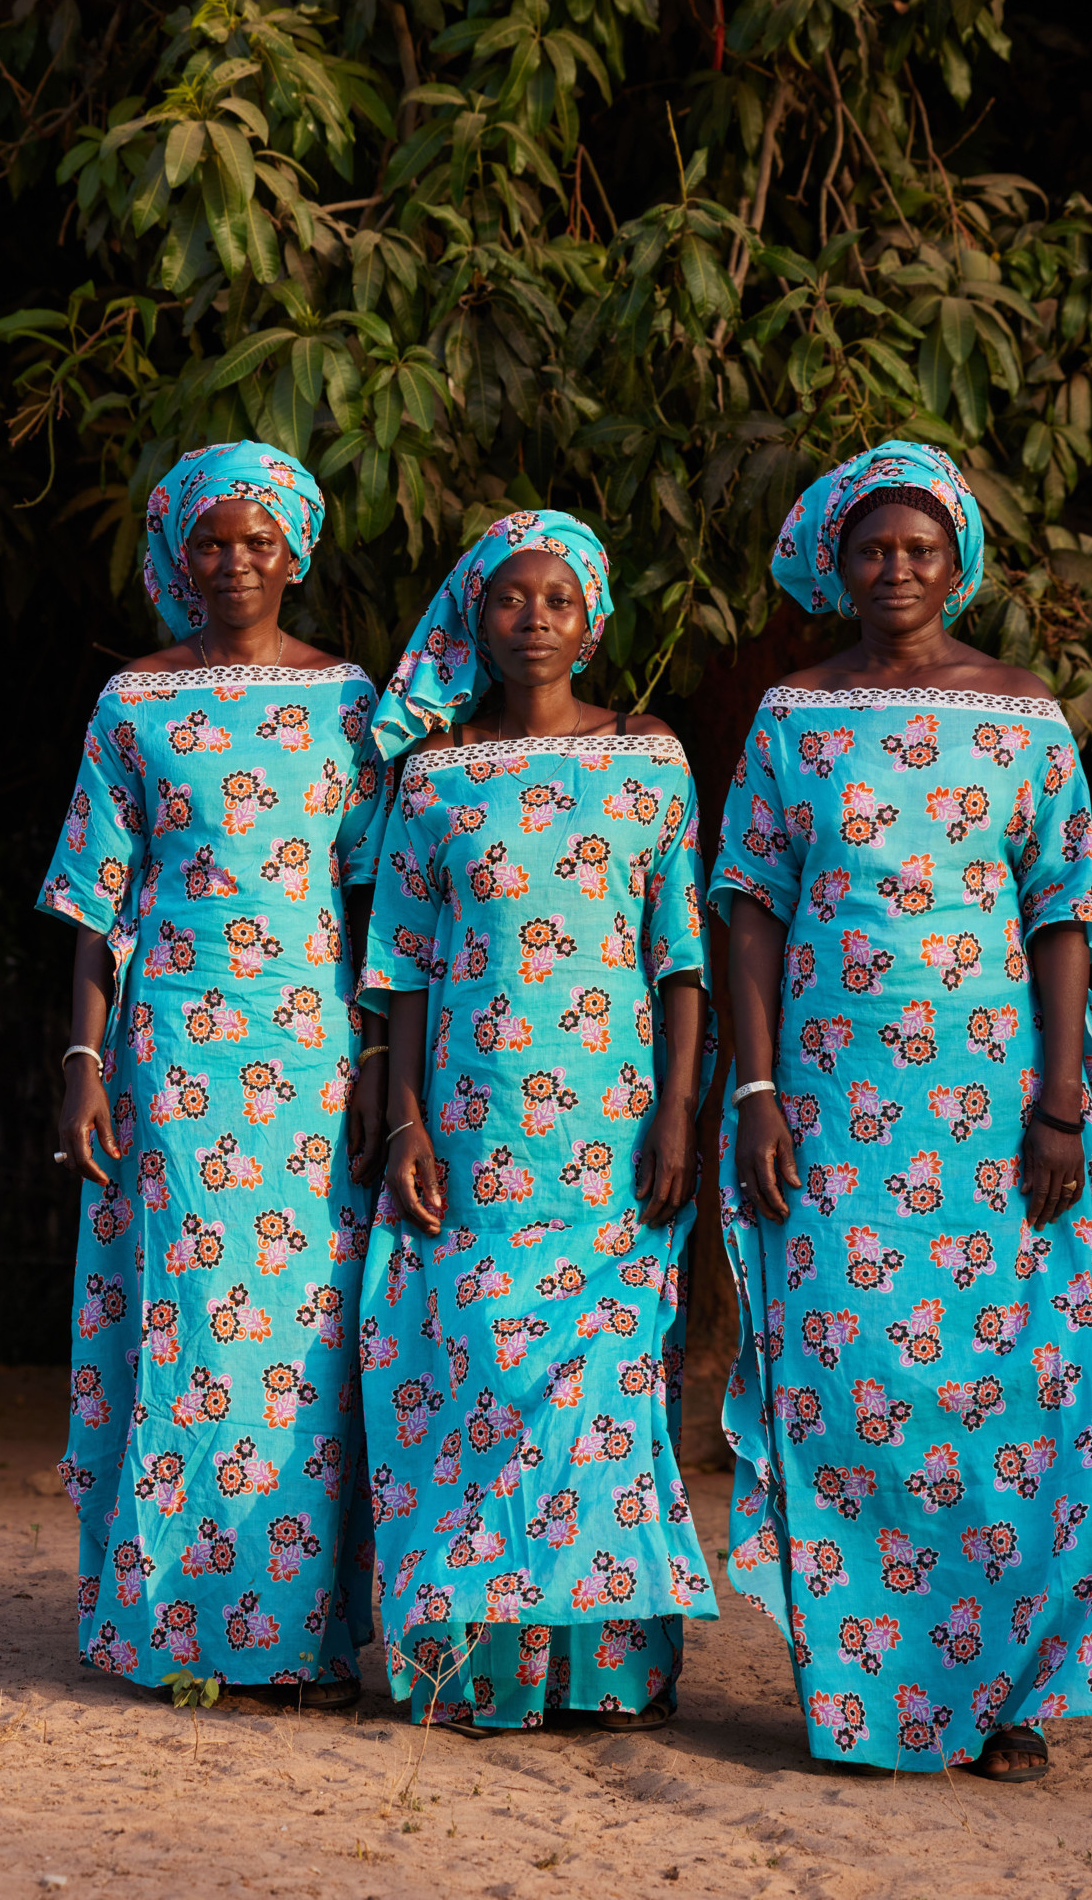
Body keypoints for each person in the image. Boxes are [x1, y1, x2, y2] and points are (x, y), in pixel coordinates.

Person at [709, 441, 1092, 1782]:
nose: (893, 570)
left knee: (1007, 1395)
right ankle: (864, 1698)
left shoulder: (1022, 717)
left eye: (917, 549)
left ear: (958, 563)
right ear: (831, 566)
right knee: (851, 1387)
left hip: (997, 1120)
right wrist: (758, 1089)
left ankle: (1006, 1701)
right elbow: (744, 907)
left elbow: (1061, 905)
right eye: (869, 550)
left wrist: (1060, 1105)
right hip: (835, 1119)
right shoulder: (790, 715)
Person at [39, 440, 392, 1702]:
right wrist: (83, 1060)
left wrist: (378, 1068)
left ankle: (291, 1635)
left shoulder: (352, 703)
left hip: (308, 1060)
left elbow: (377, 904)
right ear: (176, 558)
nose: (234, 561)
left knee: (301, 1339)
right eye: (210, 541)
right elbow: (99, 903)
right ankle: (172, 1627)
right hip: (171, 1053)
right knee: (188, 1324)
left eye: (257, 540)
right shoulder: (133, 702)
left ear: (295, 550)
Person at [358, 508, 717, 1735]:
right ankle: (483, 1674)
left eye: (557, 598)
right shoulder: (436, 778)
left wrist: (678, 1111)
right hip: (473, 1132)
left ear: (594, 618)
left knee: (603, 1387)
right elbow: (403, 966)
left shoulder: (652, 758)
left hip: (614, 1135)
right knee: (486, 1377)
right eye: (510, 598)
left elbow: (680, 956)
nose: (534, 620)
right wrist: (404, 1121)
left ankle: (611, 1675)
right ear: (474, 616)